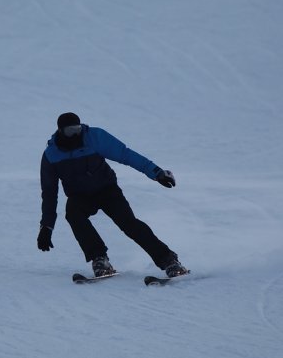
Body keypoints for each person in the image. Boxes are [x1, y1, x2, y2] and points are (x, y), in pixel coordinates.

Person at [38, 112, 189, 278]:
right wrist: (47, 226)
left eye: (77, 129)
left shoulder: (94, 137)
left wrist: (157, 172)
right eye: (70, 131)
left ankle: (169, 261)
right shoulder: (51, 155)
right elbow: (49, 192)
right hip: (79, 196)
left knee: (129, 224)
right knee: (73, 215)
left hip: (106, 190)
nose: (75, 134)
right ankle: (99, 259)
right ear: (60, 131)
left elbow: (125, 154)